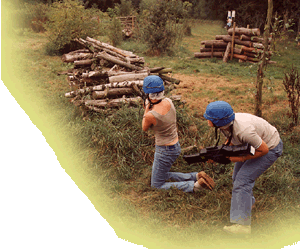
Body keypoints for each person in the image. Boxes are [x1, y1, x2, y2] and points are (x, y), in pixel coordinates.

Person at [203, 101, 283, 235]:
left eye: (209, 119)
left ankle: (242, 227)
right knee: (236, 178)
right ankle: (247, 204)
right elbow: (231, 141)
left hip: (270, 147)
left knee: (242, 181)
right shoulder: (227, 125)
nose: (207, 120)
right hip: (252, 146)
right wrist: (217, 155)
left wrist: (238, 159)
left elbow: (263, 150)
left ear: (217, 122)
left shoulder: (244, 131)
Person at [142, 75, 215, 192]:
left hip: (164, 150)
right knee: (162, 174)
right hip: (175, 146)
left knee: (156, 185)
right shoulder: (169, 101)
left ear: (148, 94)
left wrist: (146, 108)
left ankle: (195, 186)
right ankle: (196, 176)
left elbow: (144, 127)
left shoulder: (151, 114)